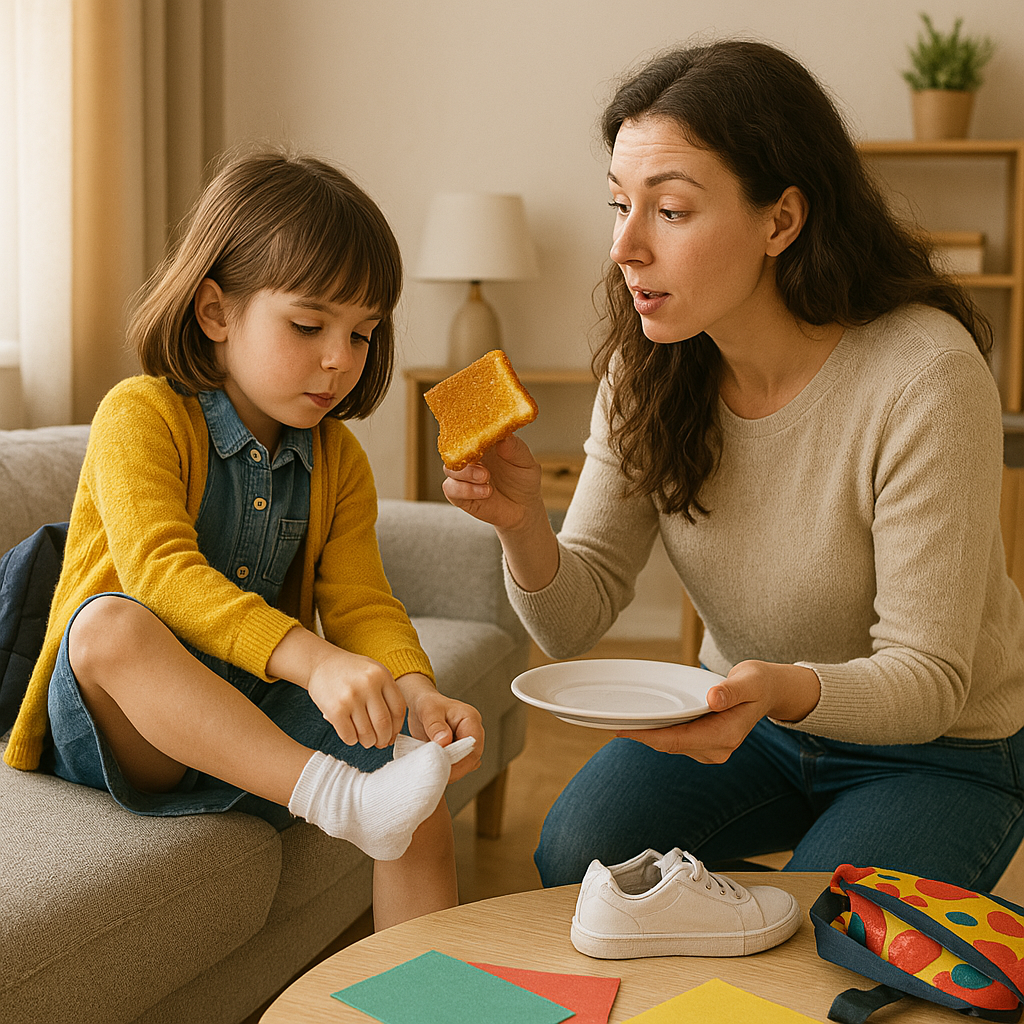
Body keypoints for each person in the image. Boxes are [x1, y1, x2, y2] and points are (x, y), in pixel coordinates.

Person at [441, 40, 1024, 891]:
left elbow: (930, 679)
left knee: (833, 926)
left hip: (938, 749)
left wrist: (778, 689)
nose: (624, 247)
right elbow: (572, 622)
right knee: (582, 857)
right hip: (750, 722)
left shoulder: (923, 377)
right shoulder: (646, 370)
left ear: (781, 220)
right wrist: (523, 522)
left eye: (670, 211)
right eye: (618, 204)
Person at [3, 150, 483, 929]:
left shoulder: (338, 459)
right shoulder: (141, 415)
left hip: (246, 708)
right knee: (108, 625)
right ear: (215, 312)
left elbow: (363, 601)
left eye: (363, 334)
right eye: (308, 324)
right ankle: (336, 798)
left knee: (417, 780)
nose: (340, 359)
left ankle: (425, 1005)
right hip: (119, 726)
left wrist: (417, 693)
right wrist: (316, 661)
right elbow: (161, 573)